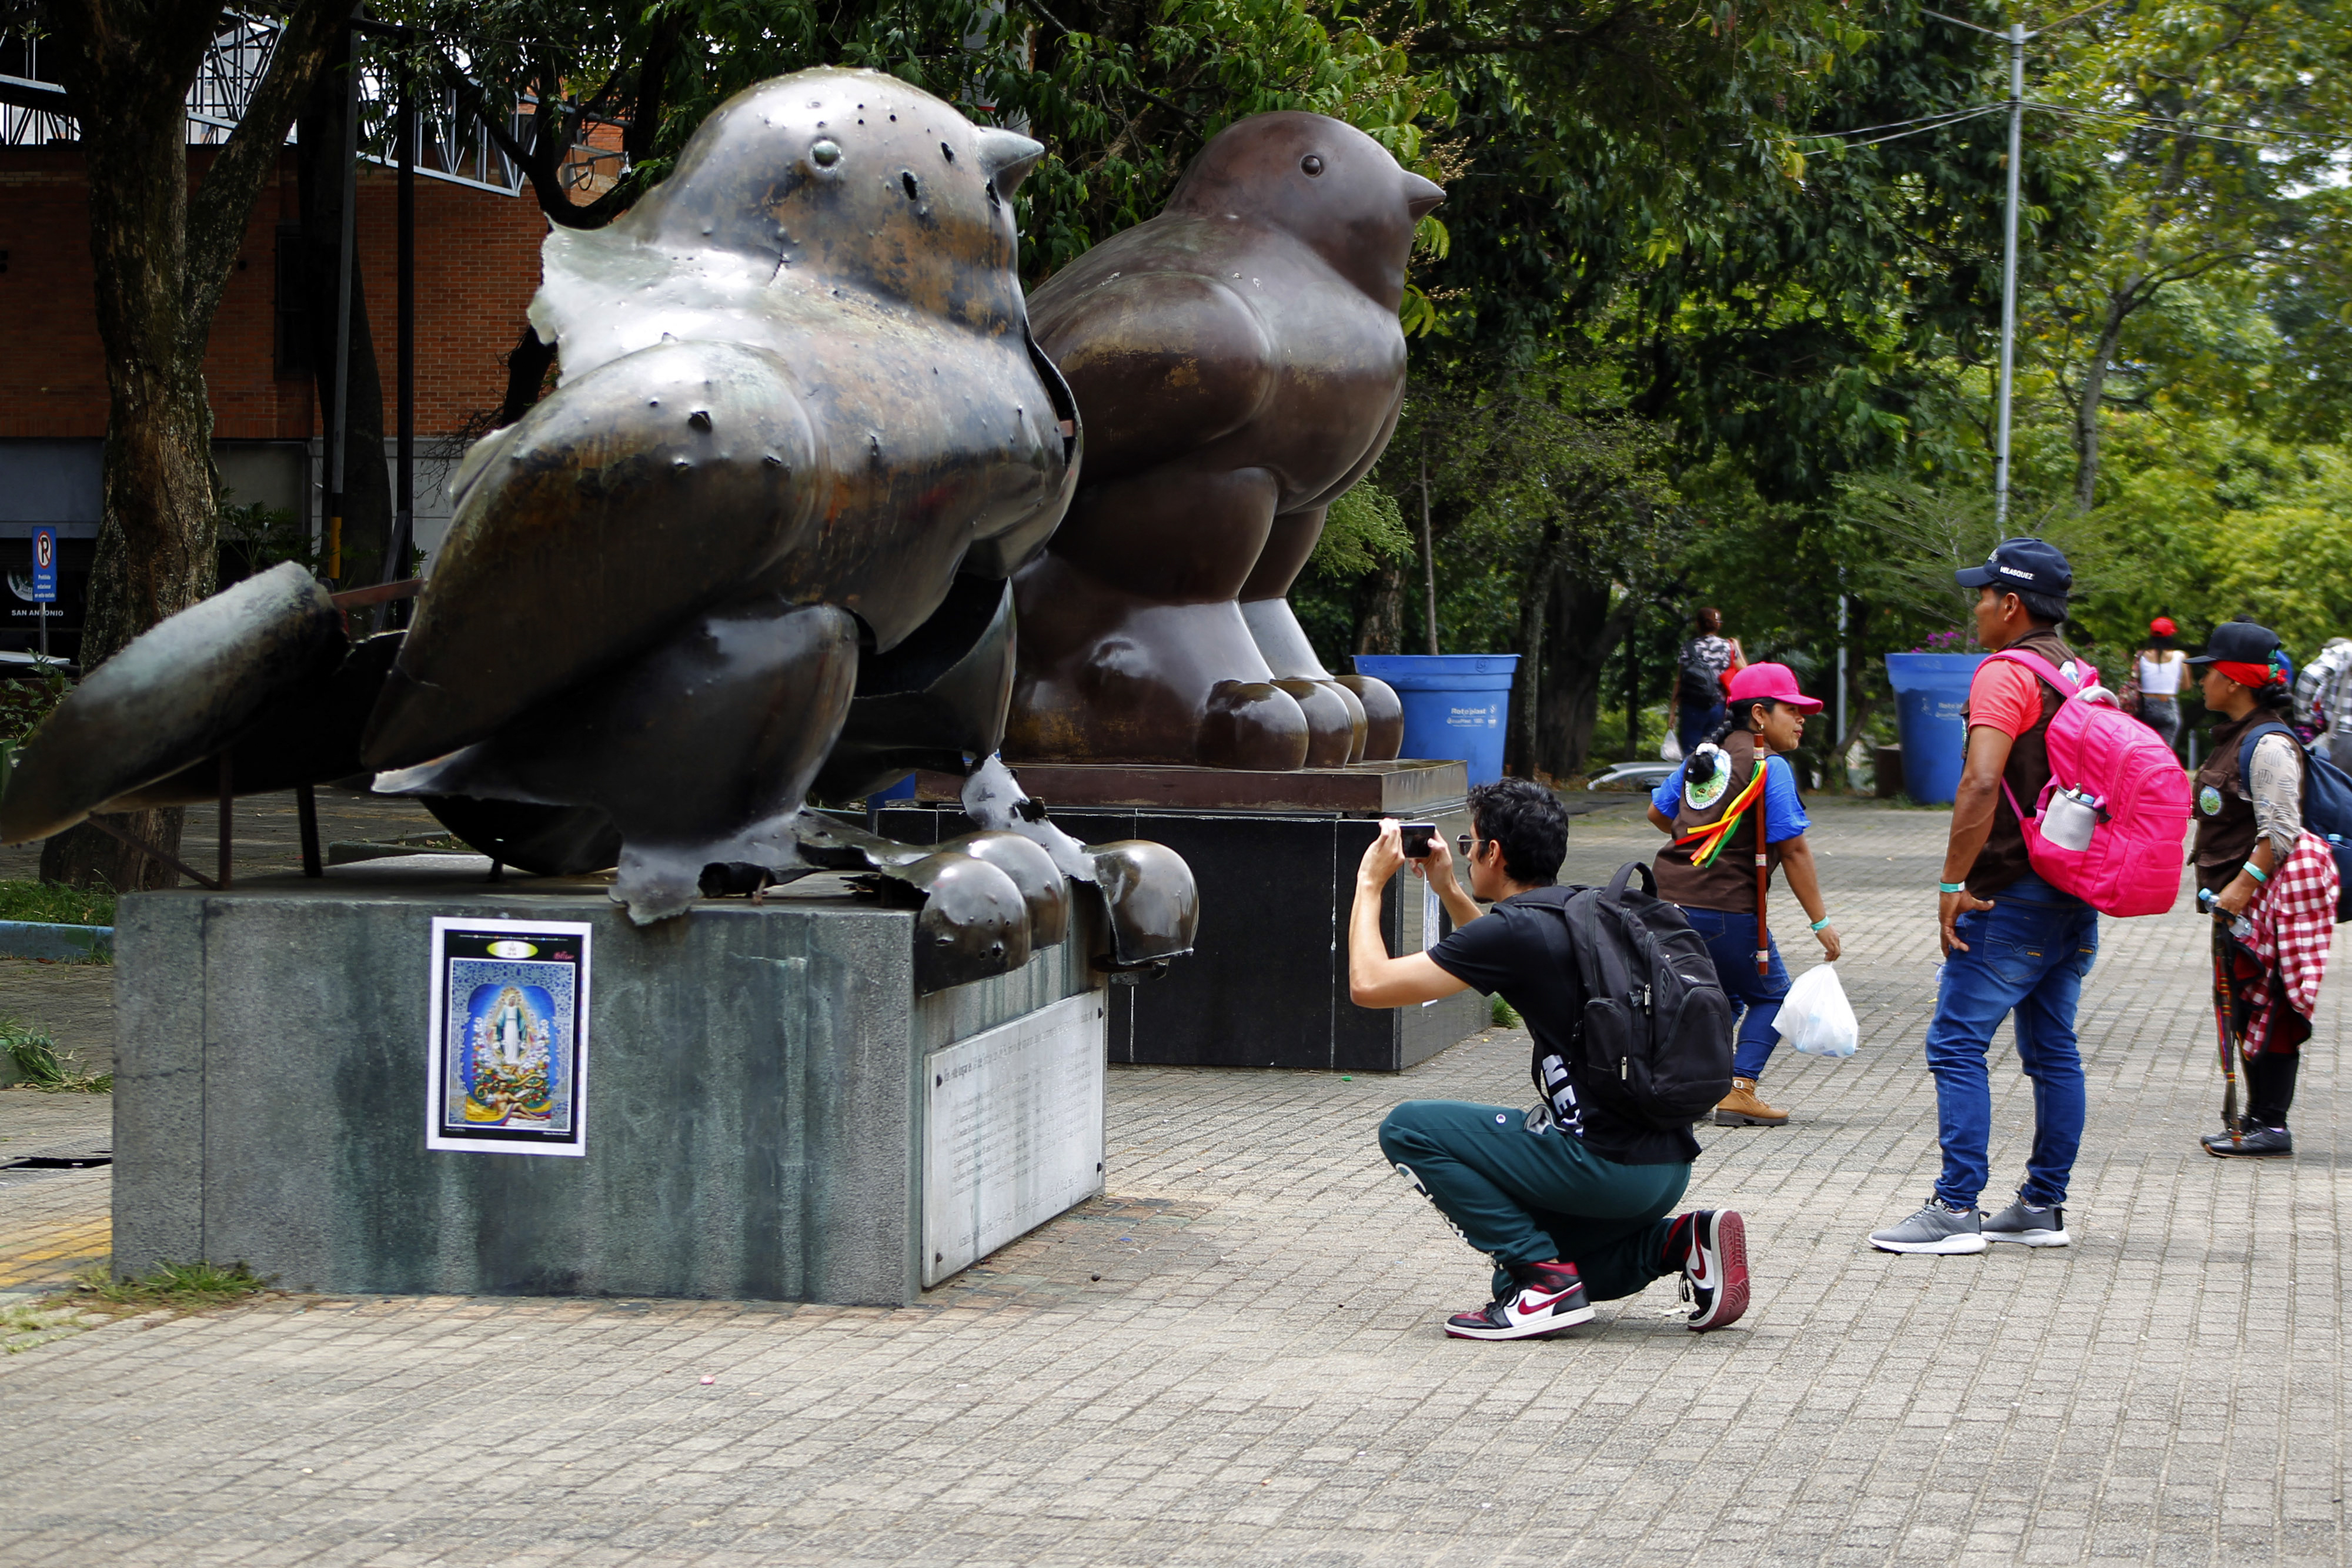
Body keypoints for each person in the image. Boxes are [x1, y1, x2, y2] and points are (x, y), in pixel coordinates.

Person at [1351, 779, 1748, 1339]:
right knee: (1516, 1281)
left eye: (1472, 844)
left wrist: (1370, 885)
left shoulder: (1518, 930)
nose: (1466, 854)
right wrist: (1446, 886)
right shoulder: (1580, 912)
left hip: (1602, 1169)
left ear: (1494, 853)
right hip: (1663, 1169)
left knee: (1410, 1128)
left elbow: (1369, 985)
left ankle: (1546, 1283)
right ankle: (1680, 1239)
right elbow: (1495, 955)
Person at [1869, 538, 2100, 1255]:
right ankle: (2041, 1206)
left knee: (1956, 1043)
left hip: (2008, 893)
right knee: (2051, 1049)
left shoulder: (2006, 675)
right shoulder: (2081, 674)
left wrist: (1949, 884)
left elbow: (1977, 782)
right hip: (2073, 891)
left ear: (2011, 604)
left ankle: (1955, 1207)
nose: (1974, 607)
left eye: (1982, 594)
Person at [1645, 663, 1842, 1127]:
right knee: (1774, 996)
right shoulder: (1767, 767)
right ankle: (1739, 1089)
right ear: (1758, 714)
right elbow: (1793, 850)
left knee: (1725, 997)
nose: (1801, 720)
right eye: (1792, 710)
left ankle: (1681, 1085)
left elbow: (1659, 812)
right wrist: (1820, 923)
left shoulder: (1706, 756)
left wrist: (1696, 842)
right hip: (1726, 908)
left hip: (1668, 900)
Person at [2188, 618, 2334, 1157]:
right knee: (2246, 1007)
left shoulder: (2268, 743)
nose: (2201, 681)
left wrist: (2241, 889)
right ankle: (2253, 1119)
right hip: (2240, 905)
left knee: (2269, 1008)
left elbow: (2283, 830)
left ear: (2234, 680)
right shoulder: (2236, 737)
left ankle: (2272, 1124)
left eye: (2209, 672)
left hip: (2264, 904)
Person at [1675, 609, 1745, 757]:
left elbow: (1679, 680)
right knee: (1715, 751)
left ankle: (1690, 777)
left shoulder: (1689, 647)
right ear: (1718, 625)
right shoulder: (1728, 647)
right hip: (1718, 707)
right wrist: (1737, 648)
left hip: (1691, 707)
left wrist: (1672, 710)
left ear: (1697, 624)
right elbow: (1746, 672)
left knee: (1690, 753)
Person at [2293, 635, 2352, 773]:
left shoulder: (2346, 652)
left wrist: (2305, 718)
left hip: (2343, 740)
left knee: (2336, 790)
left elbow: (2310, 677)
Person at [2134, 617, 2187, 755]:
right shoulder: (2180, 656)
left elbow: (2134, 682)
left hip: (2146, 707)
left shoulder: (2141, 656)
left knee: (2145, 751)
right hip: (2168, 705)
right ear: (2171, 635)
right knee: (2164, 753)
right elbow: (2187, 686)